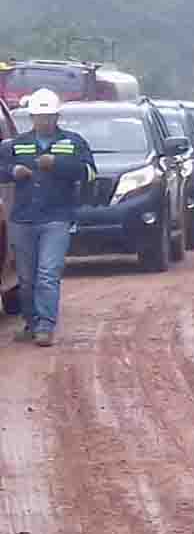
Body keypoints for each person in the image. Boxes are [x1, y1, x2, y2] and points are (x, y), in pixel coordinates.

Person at [6, 89, 95, 346]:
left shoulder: (73, 142)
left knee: (47, 272)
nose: (43, 121)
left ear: (56, 117)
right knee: (26, 278)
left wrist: (57, 164)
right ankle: (31, 323)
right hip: (23, 218)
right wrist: (13, 171)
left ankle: (46, 325)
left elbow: (89, 173)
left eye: (47, 116)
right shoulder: (17, 143)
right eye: (38, 117)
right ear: (32, 117)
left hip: (56, 217)